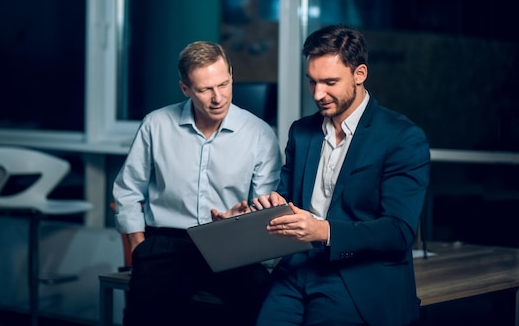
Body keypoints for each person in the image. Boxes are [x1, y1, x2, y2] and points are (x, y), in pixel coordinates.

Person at [250, 25, 430, 326]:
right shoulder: (302, 132)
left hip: (356, 277)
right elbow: (288, 200)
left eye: (330, 82)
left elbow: (398, 232)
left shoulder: (402, 137)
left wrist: (323, 231)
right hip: (296, 269)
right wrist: (265, 209)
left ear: (360, 74)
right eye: (312, 82)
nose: (318, 94)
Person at [112, 41, 282, 326]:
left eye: (224, 84)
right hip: (167, 243)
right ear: (185, 89)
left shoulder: (259, 134)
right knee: (143, 317)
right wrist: (138, 246)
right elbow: (127, 191)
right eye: (205, 89)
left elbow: (266, 206)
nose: (218, 97)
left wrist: (242, 219)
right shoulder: (156, 125)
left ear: (231, 75)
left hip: (231, 243)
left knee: (263, 304)